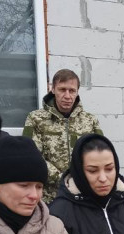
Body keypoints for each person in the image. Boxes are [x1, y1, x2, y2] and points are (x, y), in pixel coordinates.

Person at [23, 69, 103, 201]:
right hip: (49, 197)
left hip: (83, 194)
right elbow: (31, 155)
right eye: (62, 89)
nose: (67, 96)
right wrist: (64, 178)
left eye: (72, 91)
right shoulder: (35, 119)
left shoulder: (90, 120)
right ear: (53, 89)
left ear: (77, 92)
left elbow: (100, 154)